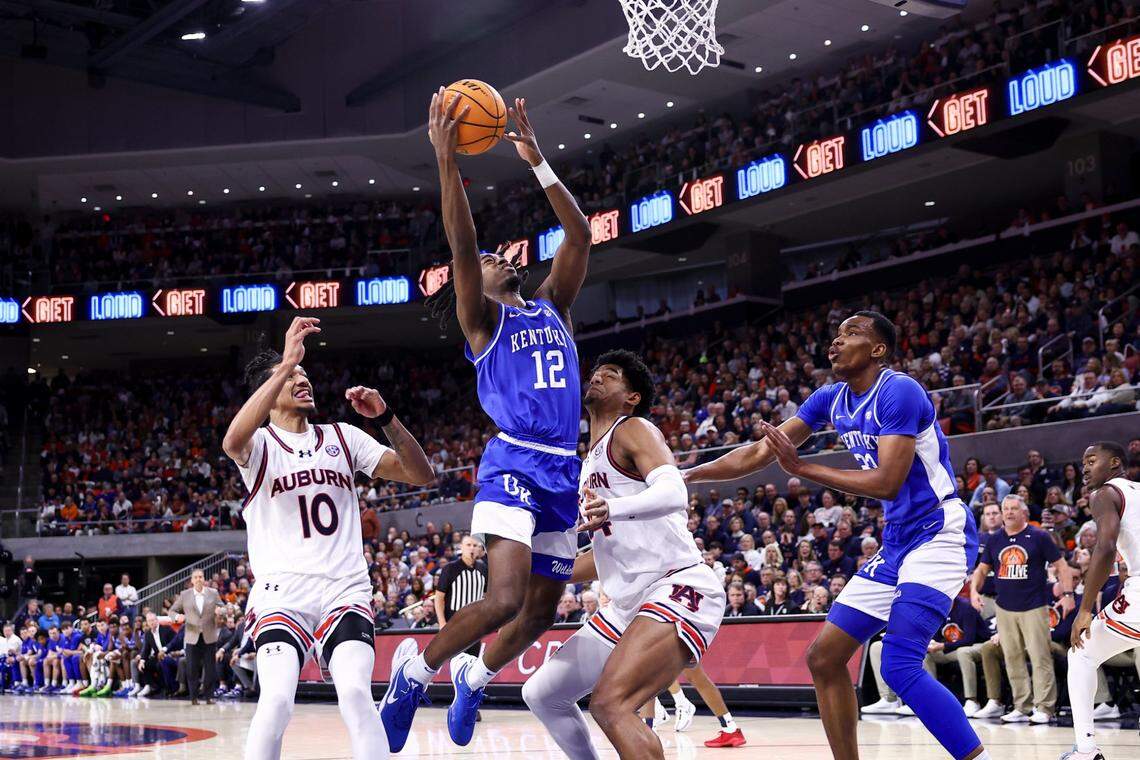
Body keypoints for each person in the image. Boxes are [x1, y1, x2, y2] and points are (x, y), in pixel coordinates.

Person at [382, 92, 592, 751]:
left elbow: (580, 235)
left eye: (506, 254)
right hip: (514, 460)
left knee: (536, 615)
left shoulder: (552, 304)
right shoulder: (484, 321)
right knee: (502, 599)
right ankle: (415, 672)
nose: (503, 255)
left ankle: (474, 675)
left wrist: (537, 161)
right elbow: (464, 243)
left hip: (563, 466)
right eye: (493, 259)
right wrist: (447, 162)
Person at [686, 311, 989, 760]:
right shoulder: (831, 398)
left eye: (851, 334)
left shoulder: (898, 391)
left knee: (900, 664)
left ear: (878, 349)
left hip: (939, 532)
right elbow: (757, 452)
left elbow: (887, 481)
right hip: (897, 540)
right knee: (824, 658)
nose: (836, 341)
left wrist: (803, 467)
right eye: (836, 334)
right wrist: (682, 475)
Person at [222, 318, 433, 760]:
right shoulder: (260, 445)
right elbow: (231, 440)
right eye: (293, 378)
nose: (304, 380)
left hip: (344, 587)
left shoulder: (343, 436)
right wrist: (286, 362)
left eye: (304, 375)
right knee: (277, 699)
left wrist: (387, 419)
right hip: (283, 592)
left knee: (356, 693)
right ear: (272, 389)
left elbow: (421, 474)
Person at [521, 350, 725, 760]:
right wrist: (533, 573)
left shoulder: (632, 429)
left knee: (611, 705)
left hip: (676, 584)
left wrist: (610, 507)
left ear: (631, 396)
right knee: (542, 693)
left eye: (610, 376)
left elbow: (674, 492)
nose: (596, 378)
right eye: (595, 373)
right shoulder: (586, 461)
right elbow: (603, 557)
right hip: (628, 601)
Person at [1062, 441, 1140, 760]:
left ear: (1114, 464)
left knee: (1081, 655)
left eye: (1092, 460)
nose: (1085, 468)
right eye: (1083, 462)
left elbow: (1105, 547)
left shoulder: (1105, 493)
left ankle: (1086, 750)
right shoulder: (1136, 491)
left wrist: (1084, 609)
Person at [970, 494, 1073, 723]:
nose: (1008, 513)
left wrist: (1067, 595)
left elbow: (1062, 567)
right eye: (1005, 509)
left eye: (1013, 508)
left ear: (1023, 511)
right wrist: (975, 593)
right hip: (1004, 607)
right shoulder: (995, 539)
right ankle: (1022, 706)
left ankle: (1045, 708)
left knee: (1040, 657)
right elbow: (981, 570)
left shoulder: (1039, 536)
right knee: (1012, 657)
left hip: (1033, 606)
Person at [168, 568, 223, 705]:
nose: (199, 579)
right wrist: (177, 617)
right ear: (192, 580)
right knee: (192, 668)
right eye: (196, 577)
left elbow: (223, 607)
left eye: (201, 577)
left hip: (209, 635)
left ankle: (209, 696)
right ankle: (193, 697)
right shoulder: (185, 595)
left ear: (204, 579)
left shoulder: (213, 593)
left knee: (210, 667)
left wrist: (220, 610)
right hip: (192, 636)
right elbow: (171, 611)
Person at [433, 535, 488, 660]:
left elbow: (486, 595)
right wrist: (442, 623)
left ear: (479, 549)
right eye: (468, 545)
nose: (472, 548)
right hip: (454, 624)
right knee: (457, 661)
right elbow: (439, 598)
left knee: (473, 661)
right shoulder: (450, 568)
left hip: (475, 625)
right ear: (461, 548)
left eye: (475, 545)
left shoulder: (483, 569)